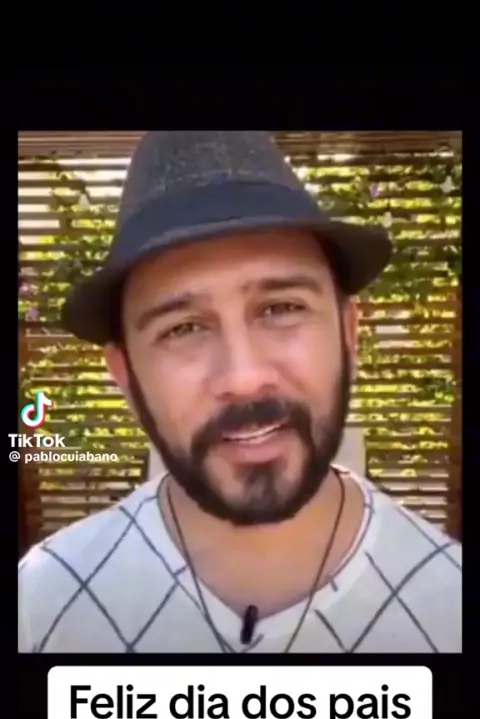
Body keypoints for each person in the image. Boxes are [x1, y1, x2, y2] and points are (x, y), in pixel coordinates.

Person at [18, 131, 462, 654]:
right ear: (126, 375)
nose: (245, 378)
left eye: (282, 308)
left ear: (348, 332)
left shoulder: (448, 603)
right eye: (182, 328)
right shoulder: (42, 604)